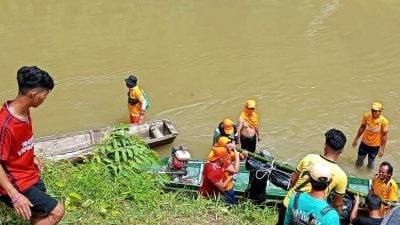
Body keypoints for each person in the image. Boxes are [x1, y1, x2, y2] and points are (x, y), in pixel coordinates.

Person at [0, 66, 64, 224]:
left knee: (40, 214)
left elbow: (20, 141)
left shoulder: (24, 110)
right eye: (45, 94)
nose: (45, 98)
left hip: (28, 172)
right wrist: (14, 195)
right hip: (15, 181)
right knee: (57, 212)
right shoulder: (5, 125)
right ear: (34, 94)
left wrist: (31, 155)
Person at [276, 129, 347, 225]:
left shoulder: (309, 158)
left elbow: (293, 180)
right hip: (316, 213)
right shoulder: (341, 175)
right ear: (342, 150)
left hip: (290, 202)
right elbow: (338, 204)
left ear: (325, 145)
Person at [352, 102, 388, 170]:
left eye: (376, 111)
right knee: (359, 160)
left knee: (371, 164)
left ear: (380, 111)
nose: (374, 113)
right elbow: (362, 127)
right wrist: (356, 139)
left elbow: (384, 135)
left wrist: (382, 149)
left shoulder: (384, 121)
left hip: (375, 146)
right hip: (364, 142)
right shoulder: (367, 116)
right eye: (373, 110)